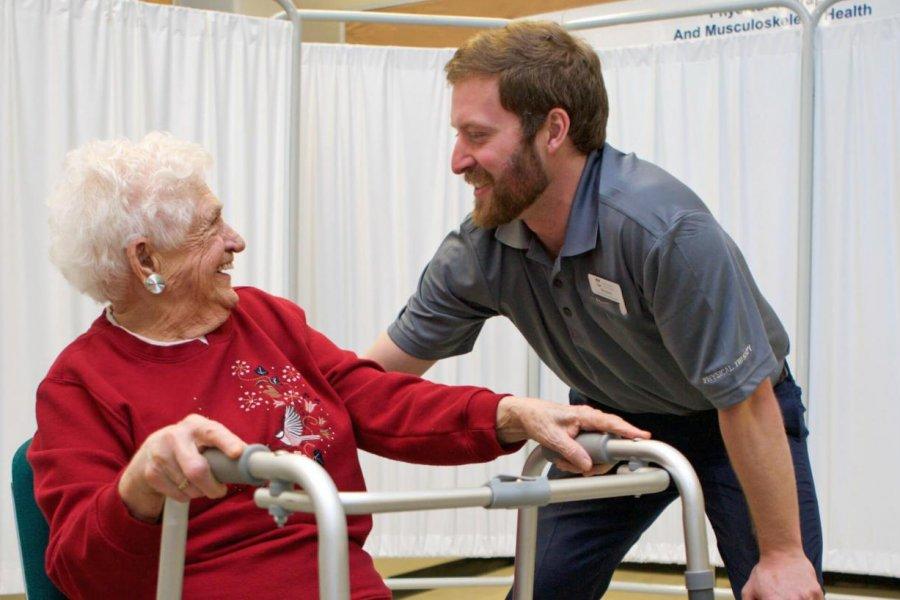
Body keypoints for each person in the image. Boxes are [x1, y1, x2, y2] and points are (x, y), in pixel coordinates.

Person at [28, 132, 650, 600]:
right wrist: (140, 485)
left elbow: (372, 398)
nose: (237, 241)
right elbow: (80, 570)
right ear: (145, 259)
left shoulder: (265, 318)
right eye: (212, 226)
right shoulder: (81, 384)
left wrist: (510, 414)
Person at [364, 21, 824, 600]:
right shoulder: (481, 248)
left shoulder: (662, 231)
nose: (458, 160)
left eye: (477, 135)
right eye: (458, 135)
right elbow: (377, 376)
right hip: (615, 418)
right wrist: (284, 420)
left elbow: (748, 397)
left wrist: (783, 554)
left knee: (780, 588)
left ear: (554, 129)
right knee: (540, 590)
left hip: (734, 414)